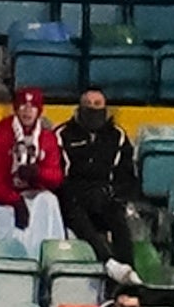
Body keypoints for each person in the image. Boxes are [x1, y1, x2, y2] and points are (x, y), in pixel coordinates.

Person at [59, 89, 143, 282]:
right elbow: (60, 177)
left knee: (117, 215)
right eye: (88, 104)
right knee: (76, 211)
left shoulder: (118, 136)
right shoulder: (63, 134)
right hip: (74, 197)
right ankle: (109, 263)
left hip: (105, 195)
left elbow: (127, 176)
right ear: (79, 107)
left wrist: (115, 193)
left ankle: (130, 274)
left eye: (97, 104)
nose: (92, 108)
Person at [0, 87, 67, 249]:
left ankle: (47, 254)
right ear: (15, 108)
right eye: (23, 106)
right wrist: (15, 201)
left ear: (39, 110)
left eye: (32, 106)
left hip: (33, 194)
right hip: (4, 198)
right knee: (7, 216)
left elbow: (56, 178)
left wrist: (38, 173)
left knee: (49, 201)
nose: (27, 111)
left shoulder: (47, 138)